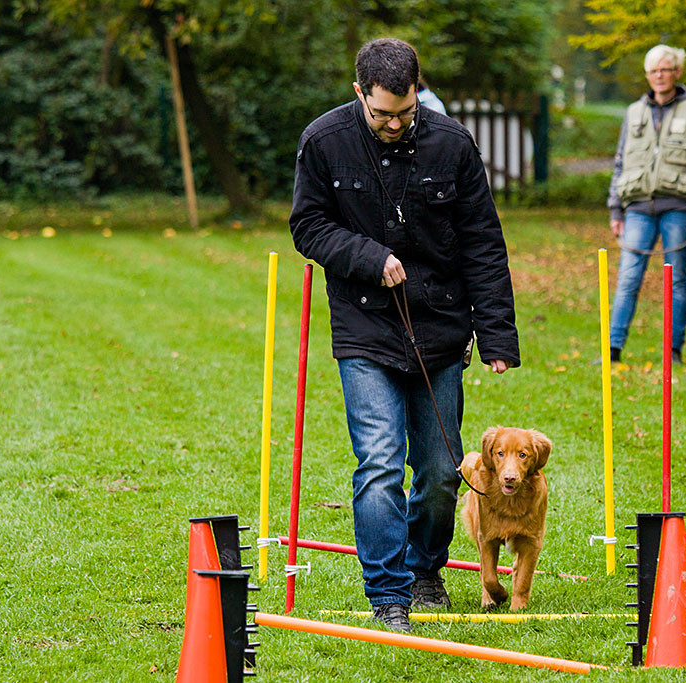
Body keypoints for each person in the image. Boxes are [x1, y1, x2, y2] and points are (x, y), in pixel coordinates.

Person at [289, 38, 519, 632]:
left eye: (405, 111)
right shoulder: (324, 142)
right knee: (380, 463)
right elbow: (308, 225)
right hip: (365, 327)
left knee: (443, 471)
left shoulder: (453, 145)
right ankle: (389, 592)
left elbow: (483, 244)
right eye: (381, 113)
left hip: (441, 329)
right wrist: (368, 255)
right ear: (359, 91)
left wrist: (496, 335)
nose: (394, 123)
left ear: (419, 90)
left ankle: (424, 569)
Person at [606, 44, 686, 365]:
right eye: (653, 70)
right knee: (628, 277)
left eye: (665, 69)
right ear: (647, 75)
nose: (659, 76)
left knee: (676, 279)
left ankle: (674, 349)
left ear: (677, 72)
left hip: (680, 208)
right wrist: (615, 208)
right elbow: (620, 162)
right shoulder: (633, 112)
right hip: (637, 207)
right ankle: (613, 349)